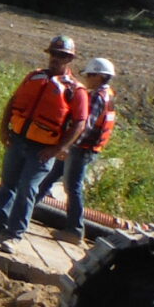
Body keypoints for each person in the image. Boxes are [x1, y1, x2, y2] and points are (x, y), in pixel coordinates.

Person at [0, 34, 87, 243]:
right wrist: (3, 129)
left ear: (69, 59)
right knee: (8, 184)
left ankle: (14, 235)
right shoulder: (34, 76)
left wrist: (57, 149)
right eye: (54, 54)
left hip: (43, 149)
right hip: (18, 139)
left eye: (62, 55)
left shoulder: (75, 90)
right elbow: (13, 101)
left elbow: (80, 123)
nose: (56, 59)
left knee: (27, 189)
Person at [59, 56, 117, 240]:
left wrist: (67, 146)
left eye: (90, 75)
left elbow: (85, 125)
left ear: (99, 77)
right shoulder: (109, 95)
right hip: (88, 149)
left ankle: (74, 231)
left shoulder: (96, 98)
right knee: (51, 175)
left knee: (73, 188)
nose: (87, 78)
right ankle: (23, 212)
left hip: (81, 148)